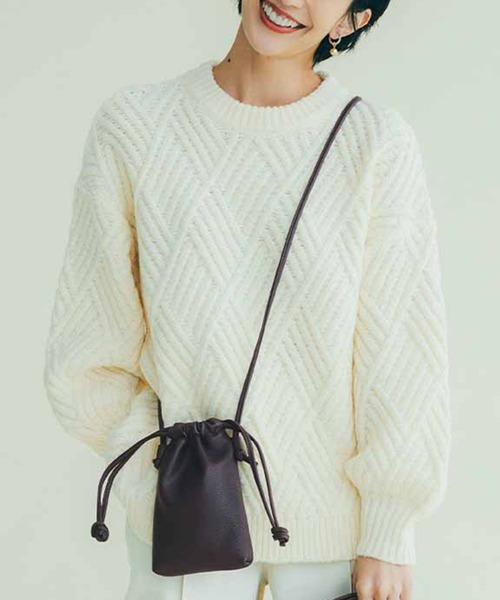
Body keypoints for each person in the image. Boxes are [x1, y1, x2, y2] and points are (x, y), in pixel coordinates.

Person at [43, 1, 452, 599]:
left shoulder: (374, 142)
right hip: (187, 526)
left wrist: (390, 528)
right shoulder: (135, 126)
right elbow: (89, 350)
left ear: (352, 19)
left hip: (333, 540)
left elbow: (402, 355)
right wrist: (154, 478)